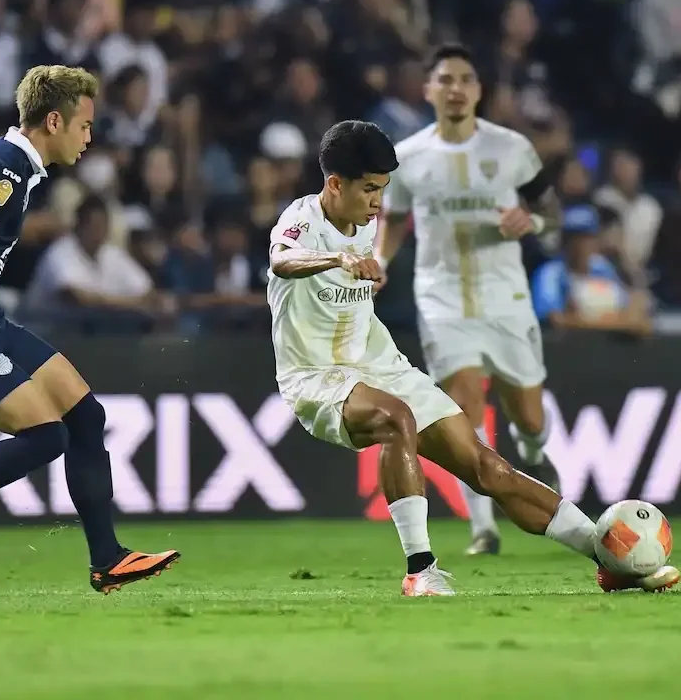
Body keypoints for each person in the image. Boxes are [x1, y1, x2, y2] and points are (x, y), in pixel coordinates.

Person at [267, 119, 678, 597]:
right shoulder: (300, 220)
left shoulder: (366, 219)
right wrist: (335, 260)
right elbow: (282, 259)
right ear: (335, 184)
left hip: (379, 363)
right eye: (370, 190)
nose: (378, 202)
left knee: (490, 469)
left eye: (383, 189)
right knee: (395, 419)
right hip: (315, 376)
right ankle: (420, 571)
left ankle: (608, 557)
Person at [0, 65, 180, 594]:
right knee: (46, 435)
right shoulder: (5, 173)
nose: (90, 138)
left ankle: (108, 559)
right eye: (85, 125)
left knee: (86, 416)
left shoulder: (7, 163)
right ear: (54, 121)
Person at [375, 43, 560, 557]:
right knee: (462, 404)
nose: (455, 88)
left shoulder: (511, 148)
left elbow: (551, 210)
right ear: (428, 89)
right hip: (441, 298)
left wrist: (535, 221)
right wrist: (380, 264)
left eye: (465, 79)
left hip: (506, 296)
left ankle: (533, 451)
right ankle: (484, 528)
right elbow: (392, 220)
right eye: (445, 79)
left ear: (478, 91)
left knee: (529, 415)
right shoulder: (407, 157)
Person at [531, 204, 652, 336]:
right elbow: (555, 320)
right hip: (568, 348)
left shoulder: (602, 268)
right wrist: (615, 324)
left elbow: (630, 307)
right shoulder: (550, 273)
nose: (582, 244)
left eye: (588, 237)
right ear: (564, 241)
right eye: (575, 238)